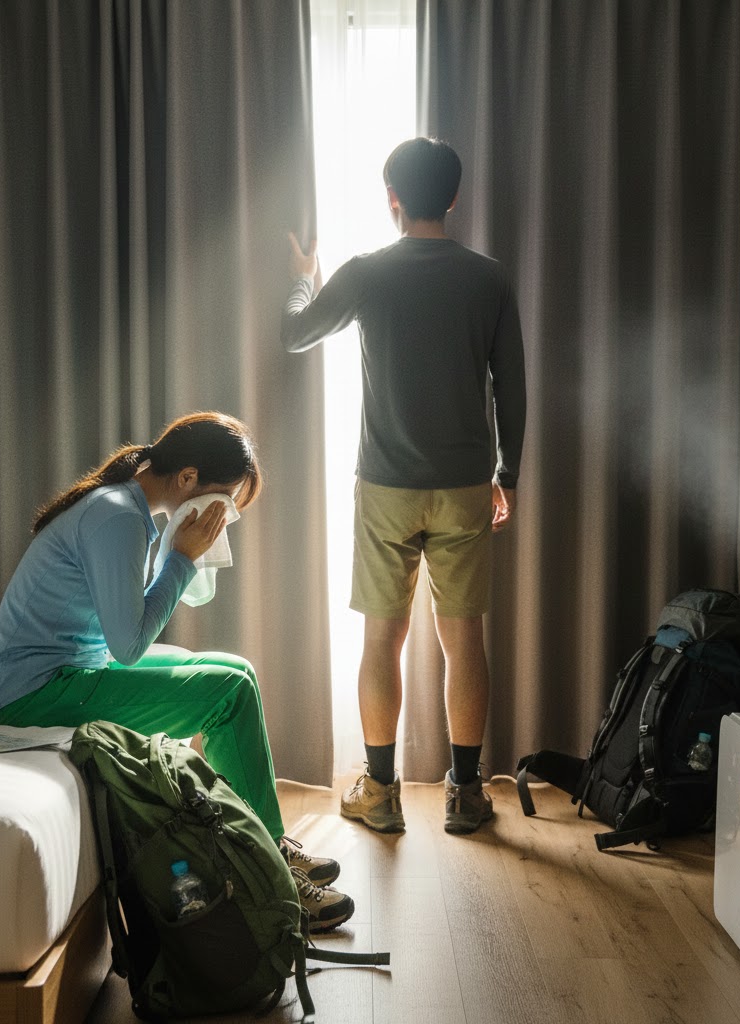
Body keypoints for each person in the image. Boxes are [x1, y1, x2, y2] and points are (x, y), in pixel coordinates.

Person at [0, 411, 354, 931]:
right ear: (187, 478)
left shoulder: (124, 508)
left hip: (70, 667)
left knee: (237, 672)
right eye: (224, 500)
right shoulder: (117, 517)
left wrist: (178, 556)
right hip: (34, 692)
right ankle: (268, 871)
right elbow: (130, 645)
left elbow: (121, 631)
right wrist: (180, 558)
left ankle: (265, 842)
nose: (224, 515)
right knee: (228, 691)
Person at [281, 138, 526, 836]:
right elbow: (512, 387)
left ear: (393, 199)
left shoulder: (367, 273)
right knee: (464, 640)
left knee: (381, 639)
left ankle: (382, 792)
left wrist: (303, 278)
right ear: (453, 198)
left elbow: (295, 333)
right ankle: (467, 794)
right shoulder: (489, 279)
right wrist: (507, 475)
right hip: (464, 486)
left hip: (386, 485)